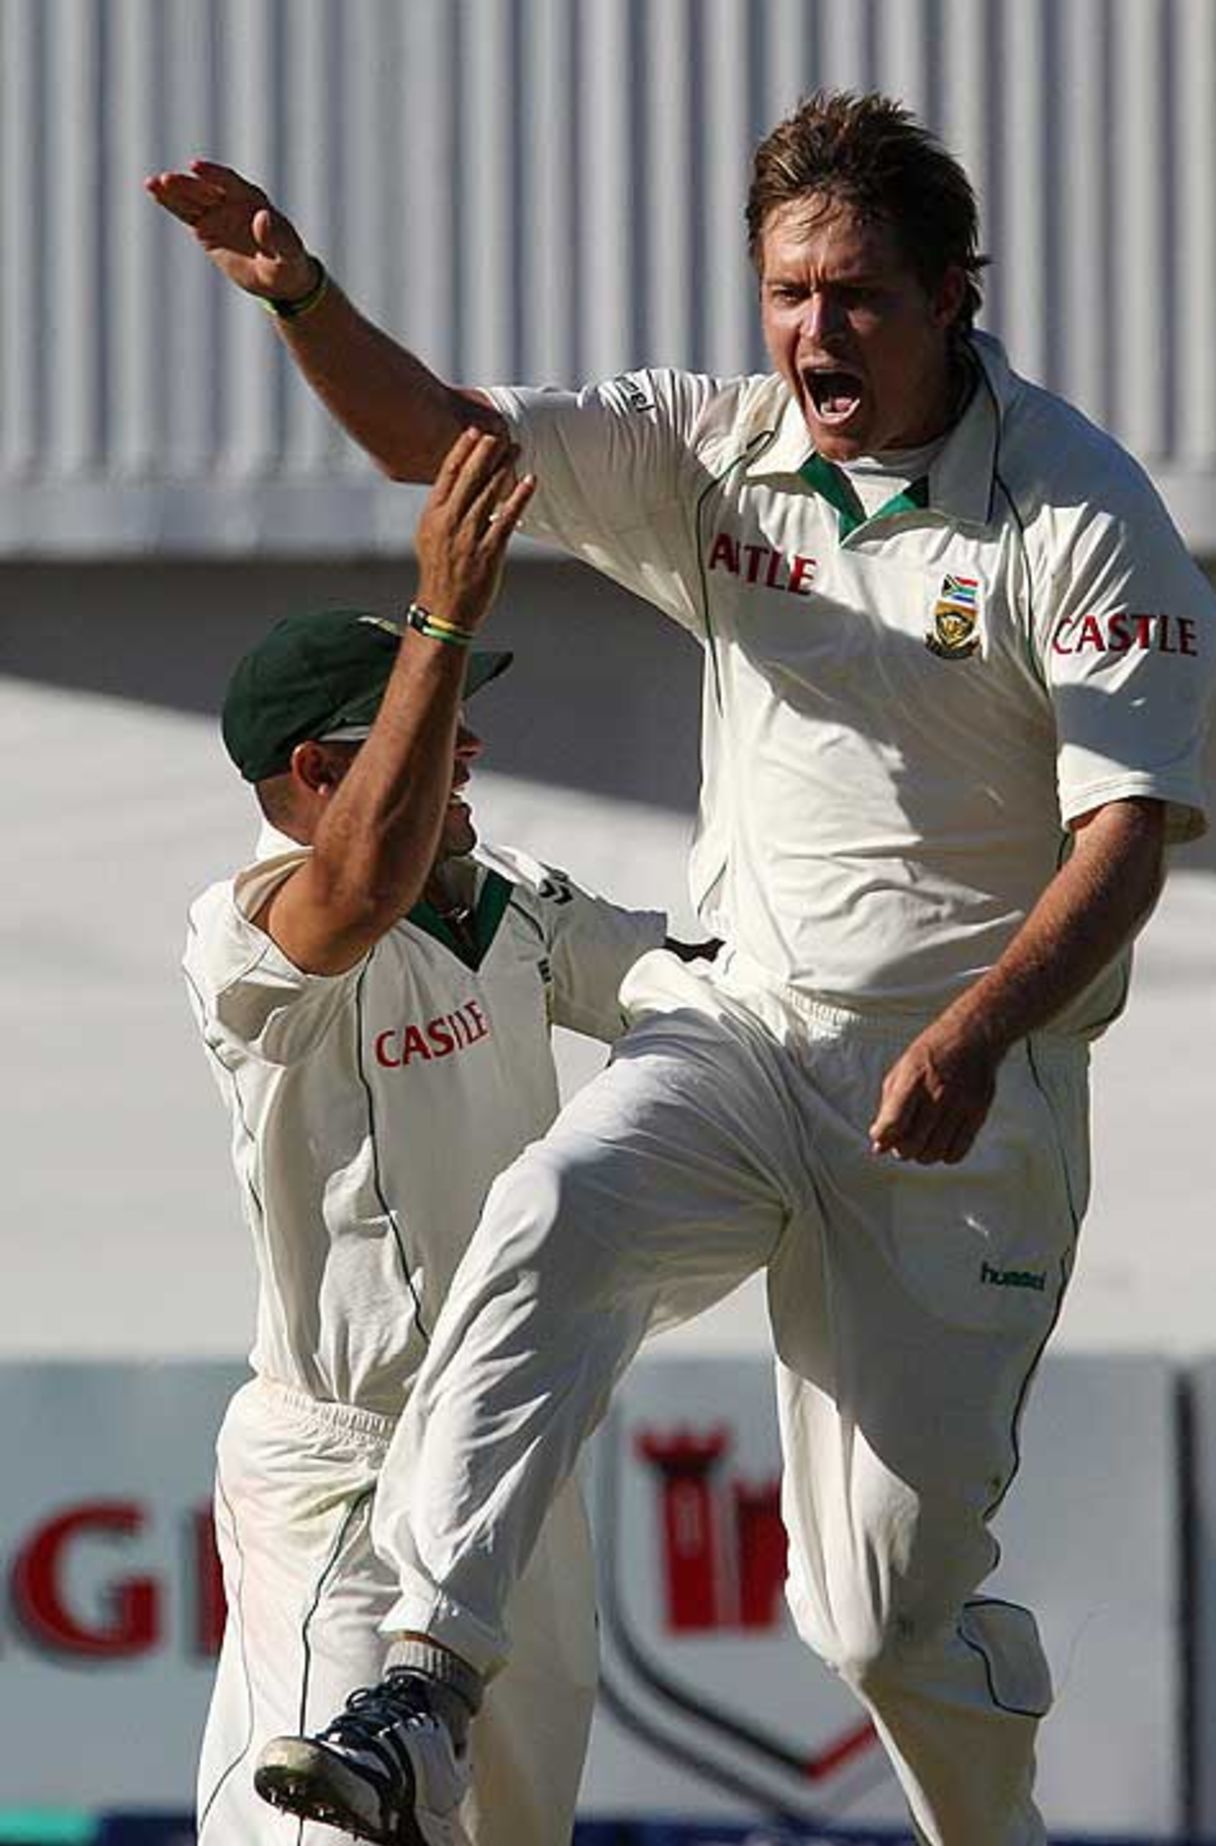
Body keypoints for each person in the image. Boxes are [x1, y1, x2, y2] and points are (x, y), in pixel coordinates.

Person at [152, 91, 1216, 1846]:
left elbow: (1126, 839)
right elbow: (445, 441)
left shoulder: (1080, 515)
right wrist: (300, 300)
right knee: (554, 1205)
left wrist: (975, 1026)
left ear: (957, 291)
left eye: (859, 295)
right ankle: (423, 1673)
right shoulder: (708, 449)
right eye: (788, 292)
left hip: (955, 1097)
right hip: (739, 1038)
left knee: (876, 1616)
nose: (815, 331)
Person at [184, 428, 679, 1846]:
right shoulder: (251, 929)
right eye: (424, 719)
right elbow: (345, 897)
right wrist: (439, 619)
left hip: (511, 1463)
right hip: (347, 1462)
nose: (466, 744)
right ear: (313, 770)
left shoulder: (510, 894)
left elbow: (689, 983)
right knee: (337, 1829)